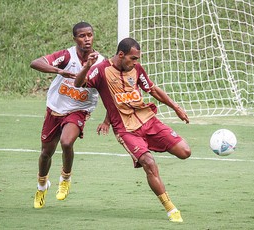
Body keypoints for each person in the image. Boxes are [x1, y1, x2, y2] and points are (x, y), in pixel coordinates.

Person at [75, 38, 191, 222]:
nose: (136, 62)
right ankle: (171, 208)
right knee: (149, 163)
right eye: (133, 58)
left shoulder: (136, 69)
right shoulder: (100, 70)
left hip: (148, 121)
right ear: (121, 55)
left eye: (137, 59)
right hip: (126, 130)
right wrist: (87, 66)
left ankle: (148, 146)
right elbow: (78, 84)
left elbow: (152, 89)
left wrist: (176, 107)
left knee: (185, 152)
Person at [30, 22, 105, 209]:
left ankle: (65, 178)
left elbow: (108, 93)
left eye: (89, 35)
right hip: (55, 107)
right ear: (75, 39)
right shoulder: (66, 56)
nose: (86, 39)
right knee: (46, 153)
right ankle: (41, 186)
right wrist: (60, 71)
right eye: (82, 36)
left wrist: (108, 120)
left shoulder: (101, 63)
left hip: (79, 109)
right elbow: (36, 63)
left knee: (66, 142)